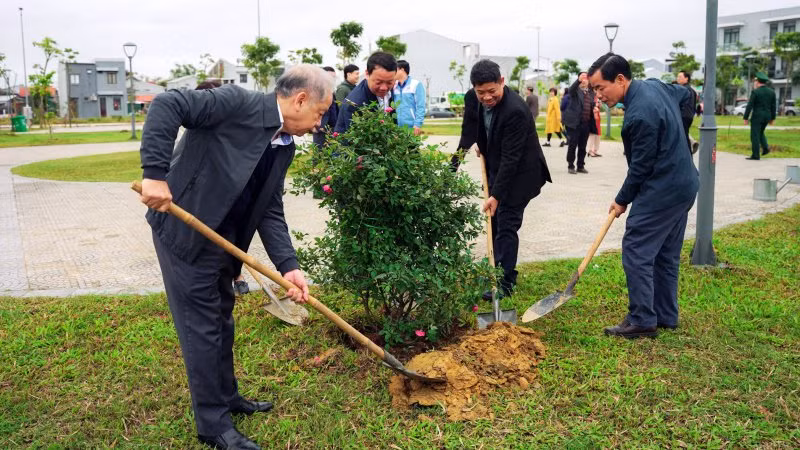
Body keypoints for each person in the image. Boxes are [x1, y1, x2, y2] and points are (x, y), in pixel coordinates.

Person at [138, 65, 331, 449]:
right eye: (321, 113)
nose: (318, 124)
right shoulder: (236, 103)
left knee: (222, 318)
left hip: (226, 239)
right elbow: (166, 104)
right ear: (301, 99)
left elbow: (270, 207)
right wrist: (154, 173)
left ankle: (227, 396)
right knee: (202, 327)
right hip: (186, 232)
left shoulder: (282, 145)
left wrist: (288, 266)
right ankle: (213, 425)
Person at [588, 53, 698, 339]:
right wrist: (680, 136)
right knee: (665, 254)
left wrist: (621, 199)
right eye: (595, 90)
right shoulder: (655, 86)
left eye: (601, 88)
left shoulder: (639, 115)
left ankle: (642, 319)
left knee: (637, 249)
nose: (598, 96)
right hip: (685, 183)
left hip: (663, 189)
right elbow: (689, 93)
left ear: (621, 80)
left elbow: (641, 167)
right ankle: (665, 315)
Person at [469, 59, 552, 300]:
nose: (486, 97)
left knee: (505, 224)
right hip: (499, 169)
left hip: (522, 176)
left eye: (491, 91)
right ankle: (496, 270)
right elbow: (481, 128)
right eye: (480, 92)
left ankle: (505, 282)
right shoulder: (481, 99)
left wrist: (496, 195)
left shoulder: (515, 110)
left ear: (502, 82)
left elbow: (511, 159)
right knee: (494, 222)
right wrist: (482, 146)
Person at [194, 80, 251, 296]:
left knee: (232, 239)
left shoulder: (233, 132)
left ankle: (237, 275)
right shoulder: (196, 135)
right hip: (203, 211)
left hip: (230, 203)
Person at [334, 52, 397, 134]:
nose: (384, 88)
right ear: (367, 74)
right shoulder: (354, 104)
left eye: (389, 82)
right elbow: (353, 142)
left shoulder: (389, 92)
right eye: (378, 82)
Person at [562, 72, 597, 174]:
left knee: (583, 146)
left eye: (586, 78)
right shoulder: (575, 91)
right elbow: (571, 89)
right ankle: (570, 166)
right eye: (582, 77)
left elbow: (590, 104)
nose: (584, 80)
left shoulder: (590, 92)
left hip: (586, 123)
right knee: (572, 145)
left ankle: (580, 166)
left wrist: (594, 106)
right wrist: (578, 81)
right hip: (575, 123)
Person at [743, 72, 777, 161]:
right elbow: (773, 106)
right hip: (767, 116)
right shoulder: (772, 92)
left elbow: (750, 105)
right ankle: (765, 148)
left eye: (755, 81)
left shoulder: (755, 92)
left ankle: (755, 155)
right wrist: (773, 118)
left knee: (754, 135)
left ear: (757, 82)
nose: (754, 83)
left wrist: (745, 118)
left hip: (757, 117)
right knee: (760, 132)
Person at [393, 59, 426, 136]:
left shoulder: (416, 84)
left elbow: (421, 106)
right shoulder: (394, 86)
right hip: (395, 128)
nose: (393, 72)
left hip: (412, 127)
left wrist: (417, 124)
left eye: (395, 70)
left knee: (411, 148)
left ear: (402, 70)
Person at [451, 88, 479, 171]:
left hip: (484, 129)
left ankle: (488, 182)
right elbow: (471, 112)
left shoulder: (487, 93)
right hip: (470, 129)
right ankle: (448, 176)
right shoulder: (470, 94)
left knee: (489, 155)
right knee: (460, 152)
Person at [312, 66, 339, 148]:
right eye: (330, 77)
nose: (332, 80)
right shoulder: (315, 92)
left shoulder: (332, 91)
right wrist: (319, 126)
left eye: (334, 77)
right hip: (321, 129)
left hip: (332, 129)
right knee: (320, 154)